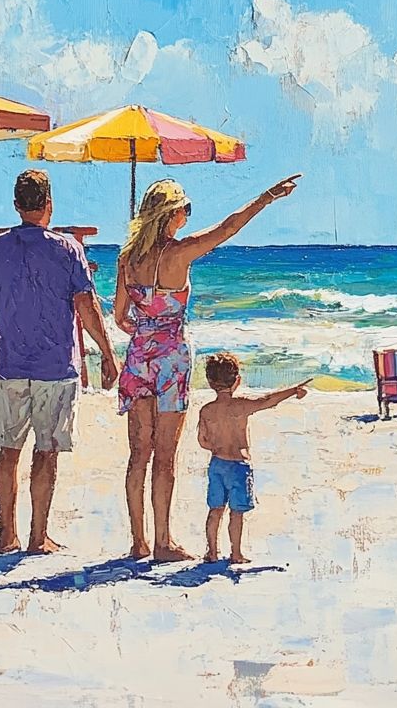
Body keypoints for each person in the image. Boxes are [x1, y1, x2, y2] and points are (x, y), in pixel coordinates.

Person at [114, 173, 301, 562]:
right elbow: (228, 227)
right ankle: (163, 542)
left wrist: (145, 328)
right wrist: (266, 196)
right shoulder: (178, 254)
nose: (186, 215)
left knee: (138, 454)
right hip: (170, 360)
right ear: (171, 214)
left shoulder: (126, 259)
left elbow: (120, 317)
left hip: (138, 359)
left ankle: (138, 542)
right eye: (184, 209)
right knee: (164, 455)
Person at [0, 170, 119, 555]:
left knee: (8, 451)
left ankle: (7, 534)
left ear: (17, 205)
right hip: (56, 365)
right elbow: (85, 306)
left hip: (10, 364)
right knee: (46, 451)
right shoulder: (68, 249)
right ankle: (38, 536)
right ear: (48, 205)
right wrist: (107, 353)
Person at [196, 352, 310, 563]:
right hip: (239, 466)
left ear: (210, 381)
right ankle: (236, 553)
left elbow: (202, 440)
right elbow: (268, 400)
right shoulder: (241, 405)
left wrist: (216, 446)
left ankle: (211, 552)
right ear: (237, 381)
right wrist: (293, 391)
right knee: (236, 513)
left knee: (215, 510)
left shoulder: (206, 410)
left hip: (217, 464)